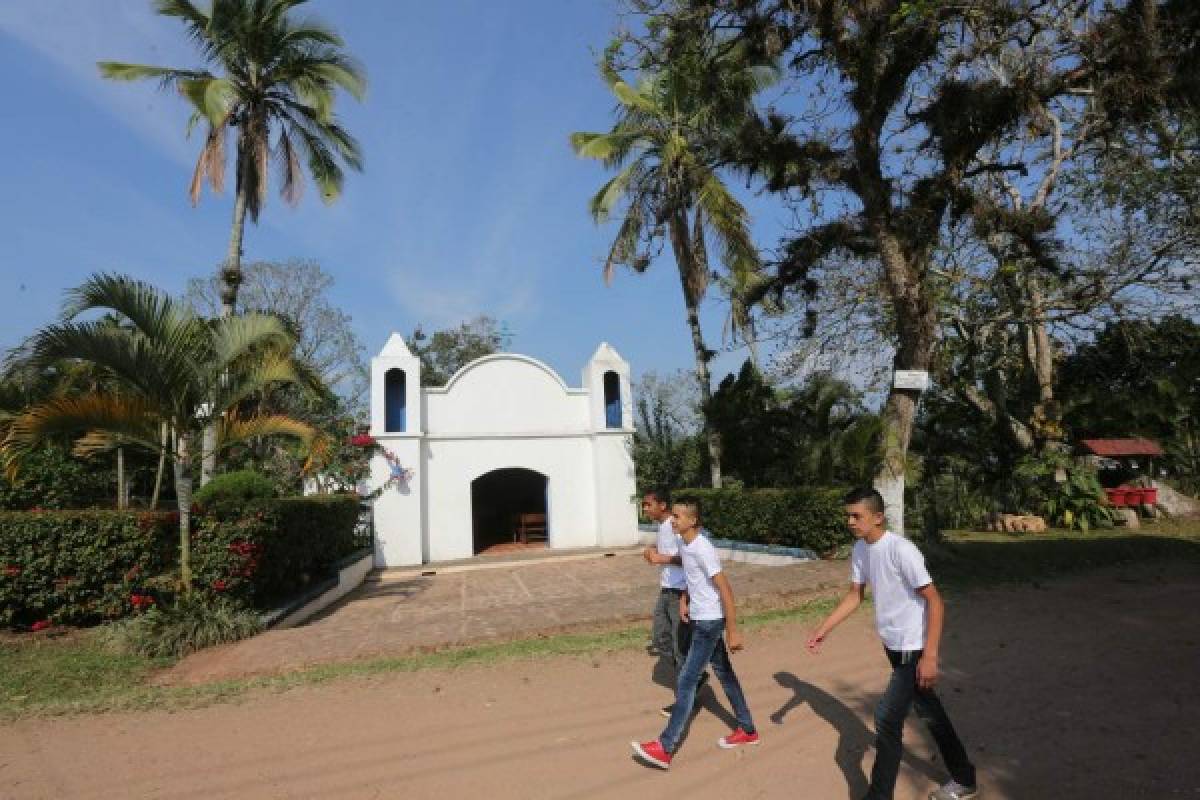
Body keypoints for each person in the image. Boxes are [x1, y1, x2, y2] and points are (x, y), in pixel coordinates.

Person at [807, 488, 978, 800]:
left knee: (886, 718)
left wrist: (930, 655)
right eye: (848, 515)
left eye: (856, 516)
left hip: (914, 648)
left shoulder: (902, 550)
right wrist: (824, 628)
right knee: (931, 713)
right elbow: (855, 595)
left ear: (877, 517)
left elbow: (935, 602)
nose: (850, 521)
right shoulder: (861, 549)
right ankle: (964, 778)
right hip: (893, 646)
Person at [632, 500, 758, 769]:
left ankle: (665, 747)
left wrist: (733, 630)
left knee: (687, 681)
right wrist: (685, 599)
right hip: (701, 617)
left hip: (710, 623)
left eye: (677, 517)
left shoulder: (702, 548)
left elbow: (725, 589)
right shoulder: (685, 544)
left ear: (692, 520)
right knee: (725, 674)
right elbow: (693, 577)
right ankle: (748, 730)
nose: (673, 521)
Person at [641, 489, 696, 717]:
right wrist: (654, 552)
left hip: (679, 593)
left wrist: (659, 558)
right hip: (666, 591)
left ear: (662, 505)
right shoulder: (663, 527)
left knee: (679, 646)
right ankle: (694, 677)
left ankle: (685, 699)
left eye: (648, 504)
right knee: (660, 638)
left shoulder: (675, 526)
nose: (645, 509)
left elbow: (689, 557)